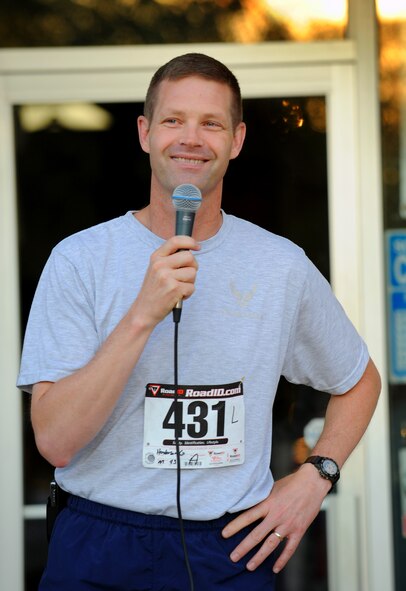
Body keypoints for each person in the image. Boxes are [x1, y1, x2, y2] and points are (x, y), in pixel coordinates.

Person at [17, 53, 381, 591]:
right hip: (101, 541)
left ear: (236, 140)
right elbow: (56, 442)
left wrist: (315, 477)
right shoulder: (79, 260)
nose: (191, 138)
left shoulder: (280, 265)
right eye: (173, 120)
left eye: (211, 123)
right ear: (144, 133)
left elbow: (359, 380)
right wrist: (142, 313)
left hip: (231, 546)